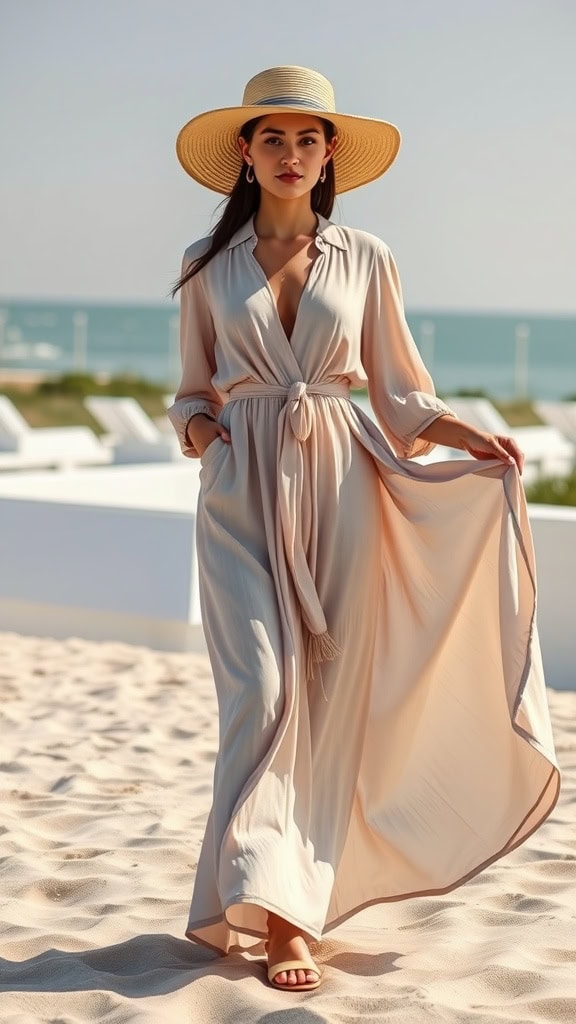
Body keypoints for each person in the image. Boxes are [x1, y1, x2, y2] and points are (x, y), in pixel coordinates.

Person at [168, 65, 559, 992]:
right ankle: (257, 894)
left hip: (342, 480)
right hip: (240, 495)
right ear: (246, 154)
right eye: (273, 139)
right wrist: (209, 438)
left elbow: (401, 393)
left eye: (309, 140)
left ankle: (284, 914)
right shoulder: (205, 265)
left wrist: (471, 437)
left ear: (329, 154)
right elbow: (188, 389)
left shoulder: (368, 258)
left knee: (331, 703)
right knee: (259, 695)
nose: (292, 155)